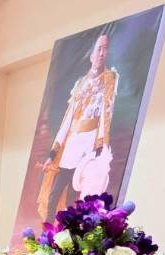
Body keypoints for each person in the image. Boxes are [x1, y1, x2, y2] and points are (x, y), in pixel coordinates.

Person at [38, 32, 118, 220]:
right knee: (55, 192)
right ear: (91, 55)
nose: (101, 53)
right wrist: (52, 154)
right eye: (99, 49)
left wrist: (100, 147)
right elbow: (67, 122)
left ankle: (69, 231)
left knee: (75, 197)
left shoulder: (110, 79)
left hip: (89, 148)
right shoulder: (80, 84)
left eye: (105, 49)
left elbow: (106, 115)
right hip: (71, 148)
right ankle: (48, 226)